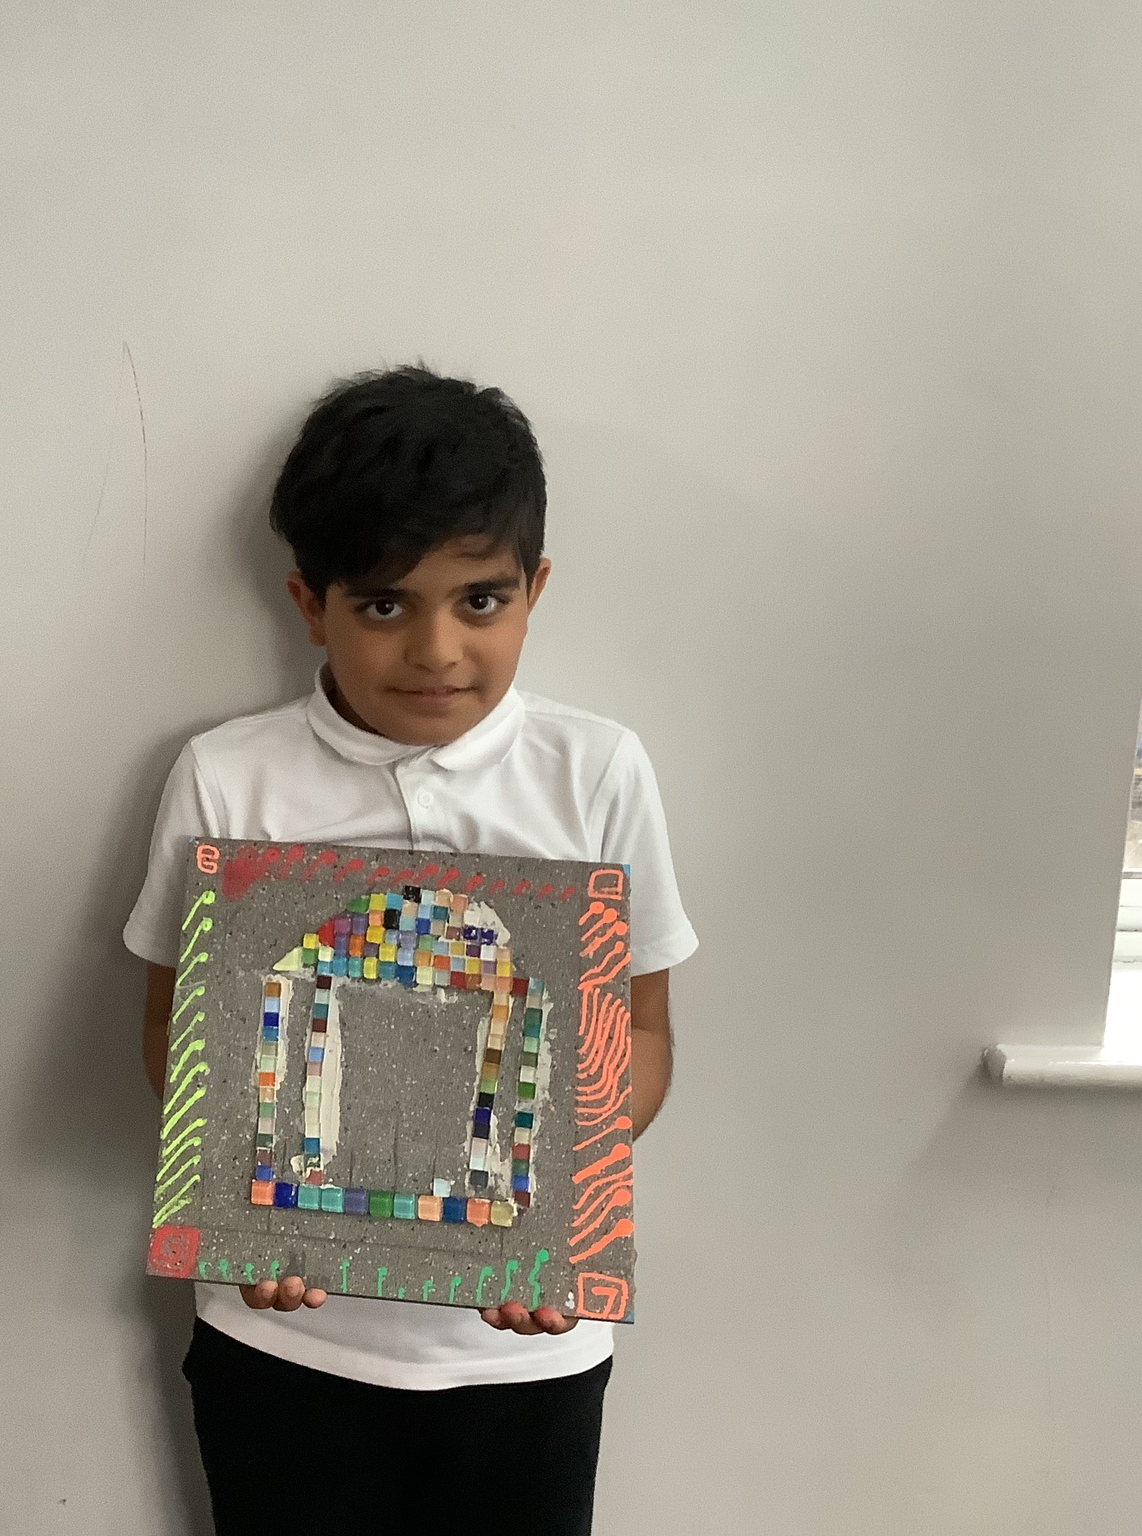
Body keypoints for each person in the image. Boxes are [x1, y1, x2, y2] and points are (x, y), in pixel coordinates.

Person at [122, 366, 697, 1535]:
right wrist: (246, 1211)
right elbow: (177, 1034)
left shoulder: (594, 771)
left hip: (524, 1350)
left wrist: (559, 1209)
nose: (436, 649)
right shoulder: (228, 776)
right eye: (384, 605)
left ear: (534, 589)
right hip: (284, 1336)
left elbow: (638, 1033)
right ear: (309, 602)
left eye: (479, 600)